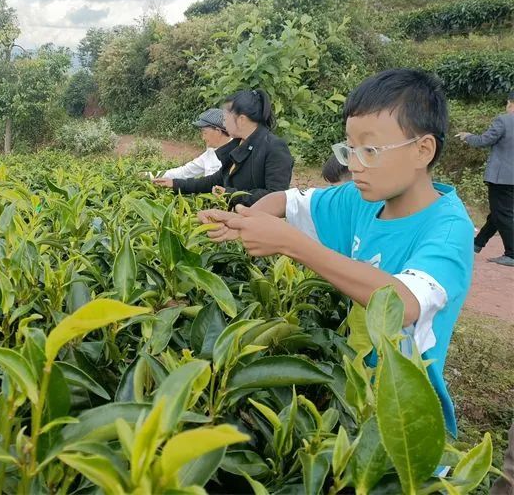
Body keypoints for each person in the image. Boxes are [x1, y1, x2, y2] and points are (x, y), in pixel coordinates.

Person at [199, 69, 473, 436]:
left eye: (371, 150)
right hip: (352, 400)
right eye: (350, 148)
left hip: (406, 422)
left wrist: (290, 243)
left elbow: (402, 302)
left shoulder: (448, 230)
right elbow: (289, 201)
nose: (354, 164)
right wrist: (244, 221)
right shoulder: (360, 199)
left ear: (423, 150)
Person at [153, 89, 293, 208]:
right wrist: (175, 183)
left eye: (226, 119)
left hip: (257, 230)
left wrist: (231, 195)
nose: (224, 125)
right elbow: (215, 180)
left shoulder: (274, 147)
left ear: (241, 119)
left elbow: (277, 196)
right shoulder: (238, 145)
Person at [456, 92, 514, 267]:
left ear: (511, 103)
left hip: (501, 177)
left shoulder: (504, 120)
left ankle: (512, 253)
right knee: (498, 212)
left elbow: (484, 140)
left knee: (503, 214)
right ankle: (477, 243)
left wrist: (468, 137)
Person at [158, 109, 235, 180]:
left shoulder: (239, 151)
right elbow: (184, 172)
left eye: (205, 133)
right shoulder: (210, 153)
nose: (203, 138)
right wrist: (149, 175)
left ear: (218, 131)